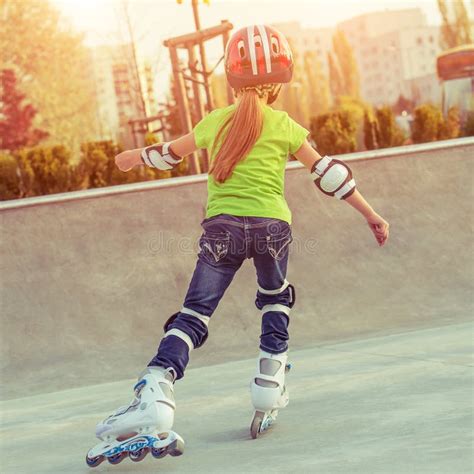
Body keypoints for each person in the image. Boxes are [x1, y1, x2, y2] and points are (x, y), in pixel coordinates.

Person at [86, 24, 389, 466]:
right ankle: (269, 379)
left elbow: (170, 153)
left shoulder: (215, 121)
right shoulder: (285, 125)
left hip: (222, 230)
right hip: (272, 229)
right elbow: (328, 174)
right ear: (279, 81)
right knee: (274, 299)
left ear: (232, 76)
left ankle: (156, 389)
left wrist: (134, 158)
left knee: (194, 314)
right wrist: (371, 215)